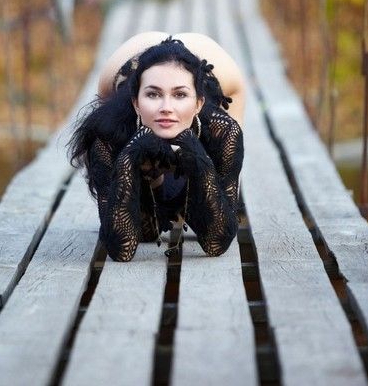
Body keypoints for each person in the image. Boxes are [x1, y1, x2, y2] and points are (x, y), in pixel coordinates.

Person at [68, 34, 245, 262]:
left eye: (180, 95)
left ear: (198, 103)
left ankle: (176, 96)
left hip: (222, 71)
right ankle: (155, 175)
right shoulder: (109, 129)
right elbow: (120, 249)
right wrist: (129, 157)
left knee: (212, 190)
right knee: (145, 228)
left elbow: (217, 241)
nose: (166, 108)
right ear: (136, 102)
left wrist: (198, 156)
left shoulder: (223, 128)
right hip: (125, 63)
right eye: (153, 95)